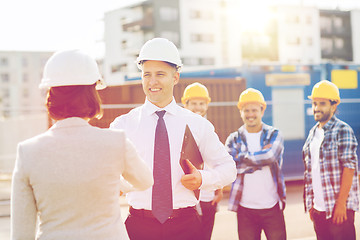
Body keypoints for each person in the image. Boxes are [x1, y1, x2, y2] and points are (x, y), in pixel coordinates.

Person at [11, 50, 153, 240]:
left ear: (50, 96)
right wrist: (113, 182)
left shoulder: (28, 152)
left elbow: (21, 234)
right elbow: (145, 181)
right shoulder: (116, 142)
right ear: (92, 94)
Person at [110, 38, 236, 240]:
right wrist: (119, 185)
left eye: (160, 74)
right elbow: (107, 173)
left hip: (185, 227)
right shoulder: (122, 125)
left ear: (176, 77)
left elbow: (228, 169)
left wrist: (202, 179)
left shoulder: (198, 124)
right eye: (147, 75)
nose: (152, 82)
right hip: (138, 227)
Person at [225, 88, 286, 240]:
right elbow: (229, 167)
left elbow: (270, 156)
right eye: (246, 110)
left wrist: (241, 158)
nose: (250, 114)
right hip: (245, 210)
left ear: (262, 110)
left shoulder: (274, 134)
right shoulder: (233, 139)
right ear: (241, 112)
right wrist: (260, 160)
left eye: (254, 110)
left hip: (272, 207)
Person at [302, 80, 359, 240]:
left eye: (322, 103)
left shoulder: (343, 130)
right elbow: (311, 171)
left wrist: (341, 205)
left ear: (334, 106)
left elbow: (349, 168)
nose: (317, 108)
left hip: (338, 210)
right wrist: (312, 205)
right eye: (314, 103)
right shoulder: (313, 133)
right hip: (319, 211)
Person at [181, 82, 223, 240]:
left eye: (201, 104)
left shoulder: (210, 129)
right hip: (186, 196)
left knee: (205, 235)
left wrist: (218, 189)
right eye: (193, 104)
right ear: (185, 104)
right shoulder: (179, 128)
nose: (197, 107)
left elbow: (215, 161)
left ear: (207, 105)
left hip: (207, 196)